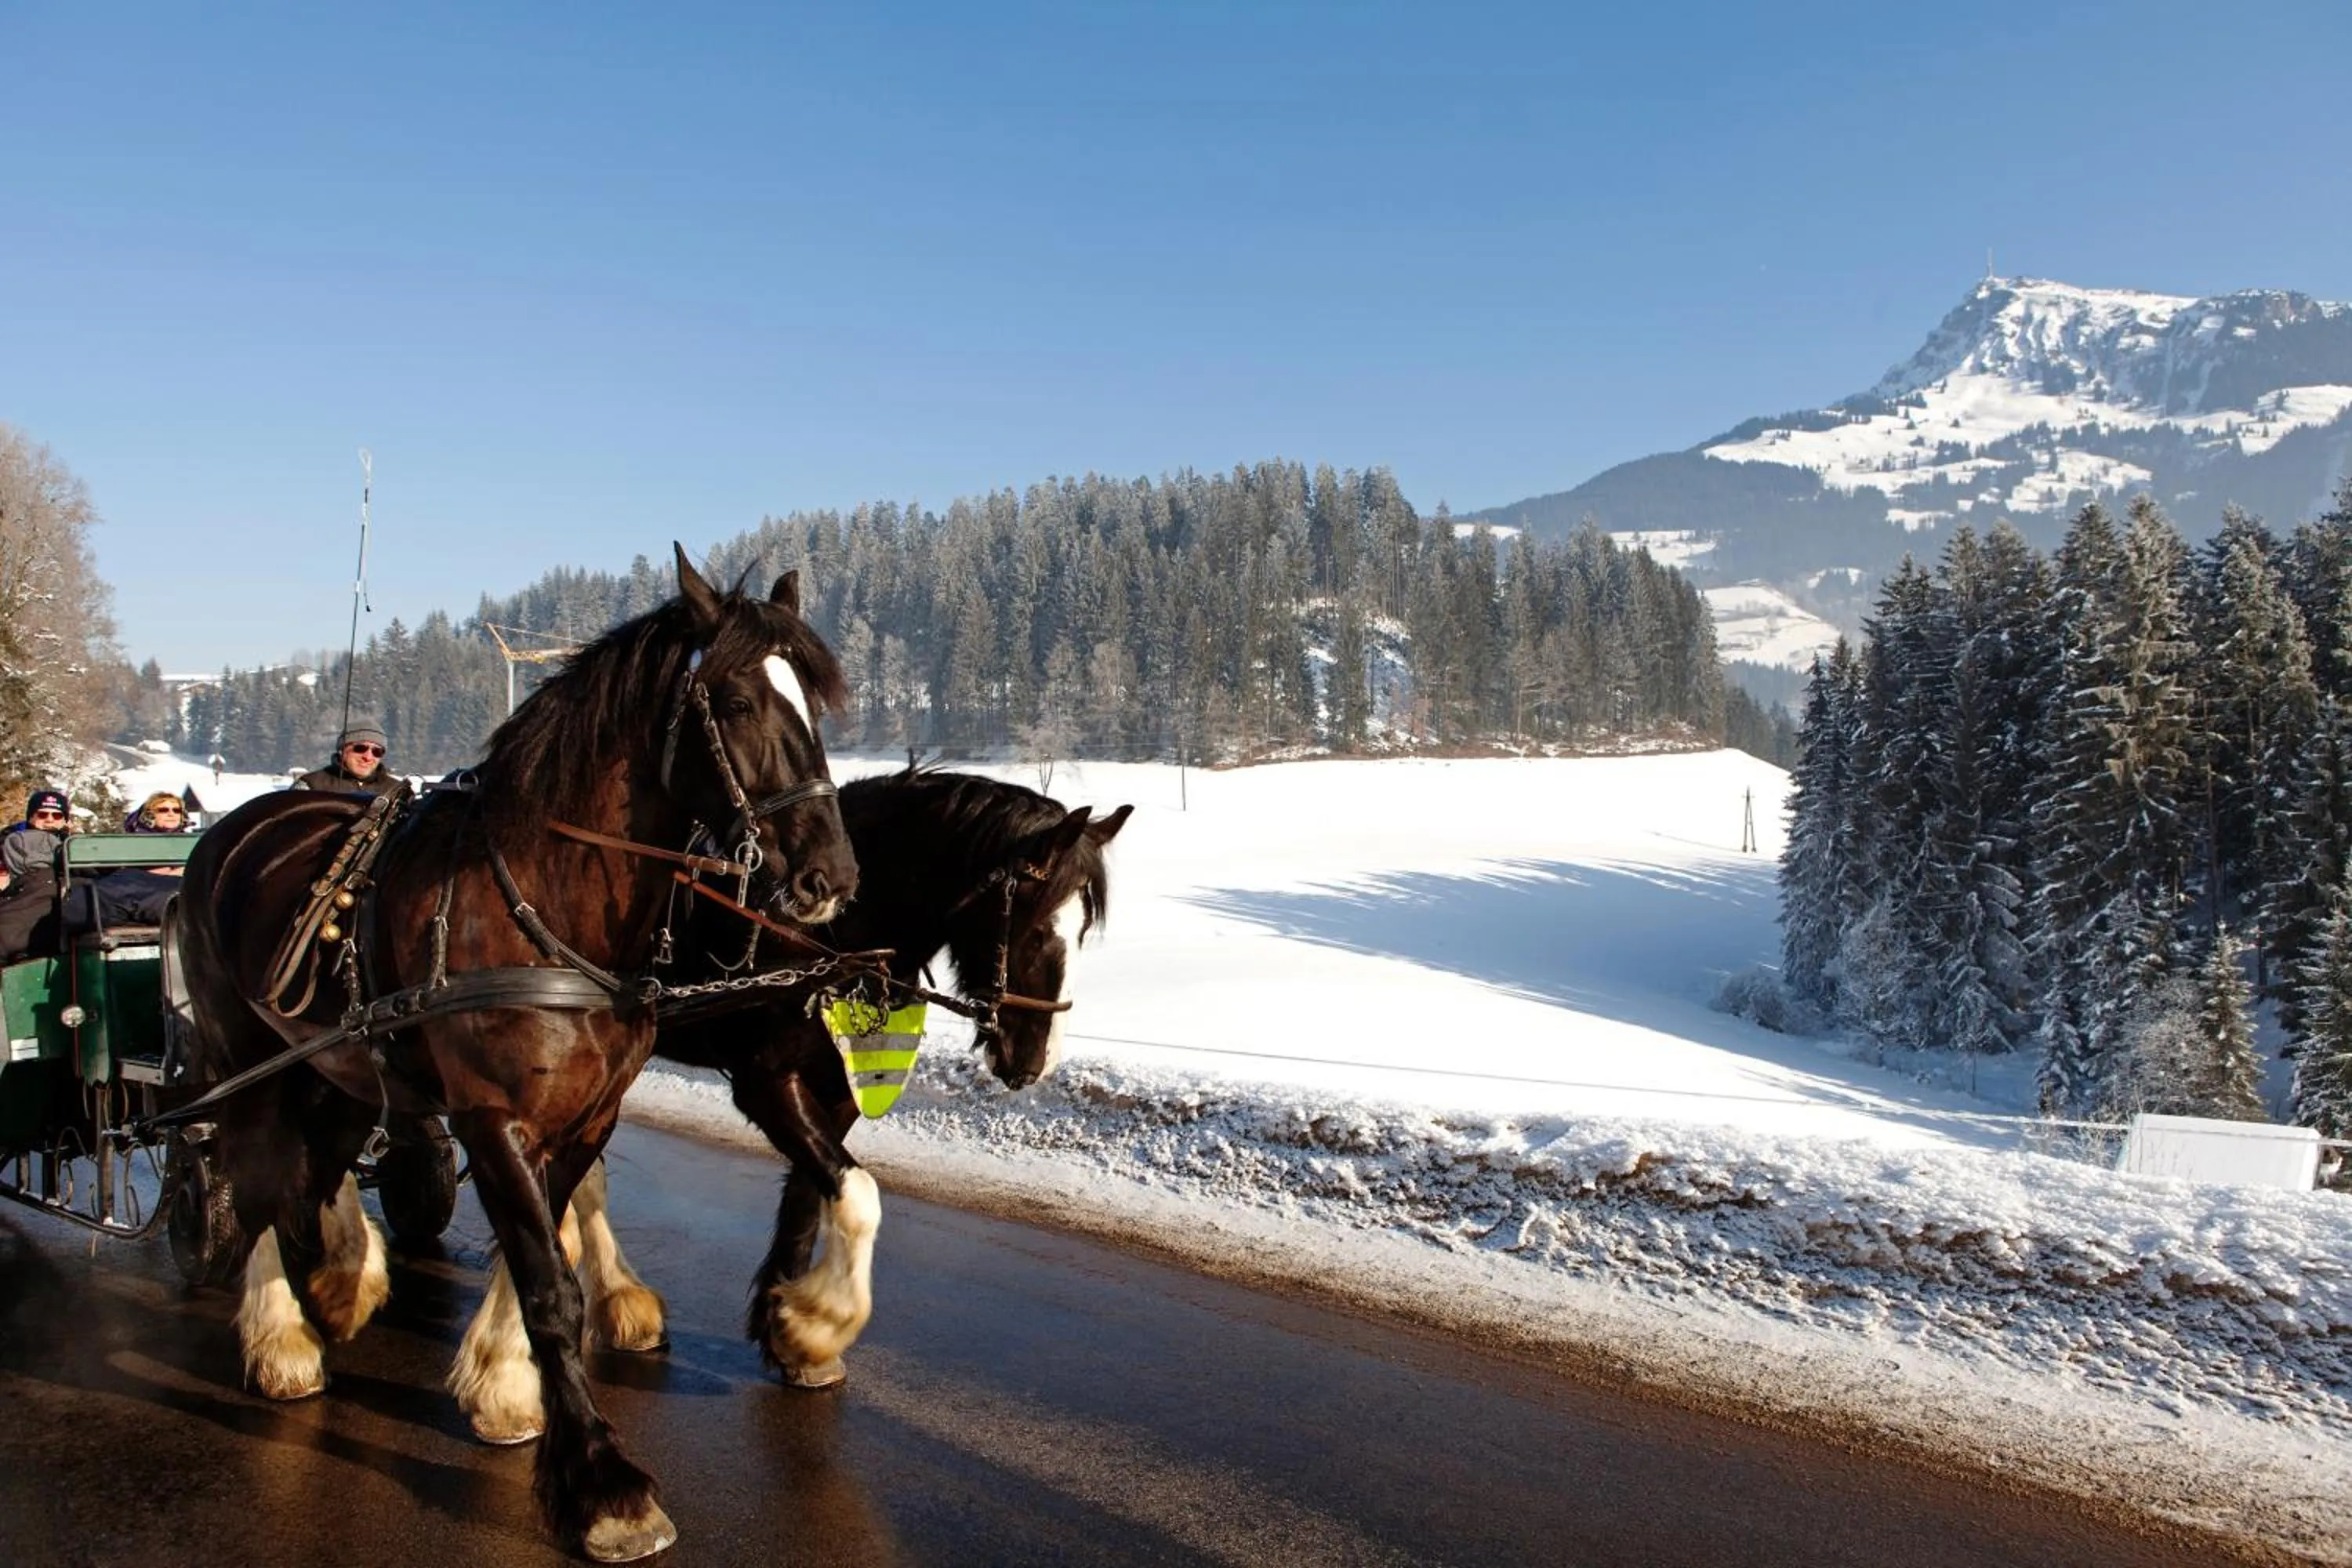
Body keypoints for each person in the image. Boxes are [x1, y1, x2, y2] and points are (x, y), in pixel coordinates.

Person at [0, 789, 71, 961]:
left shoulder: (74, 846)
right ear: (31, 816)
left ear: (65, 820)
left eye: (56, 816)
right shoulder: (9, 844)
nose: (49, 819)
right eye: (42, 814)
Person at [293, 722, 396, 796]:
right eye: (360, 748)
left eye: (377, 752)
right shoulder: (311, 786)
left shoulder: (397, 791)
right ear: (342, 750)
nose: (368, 757)